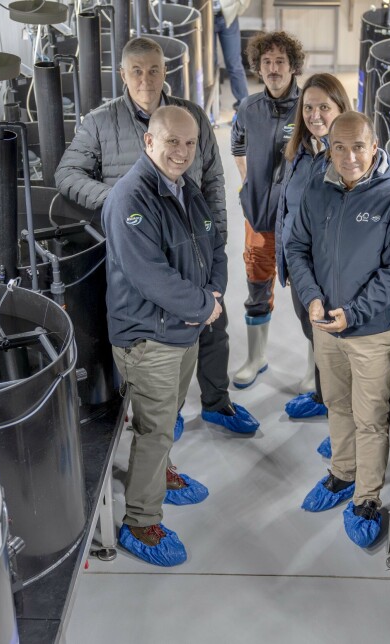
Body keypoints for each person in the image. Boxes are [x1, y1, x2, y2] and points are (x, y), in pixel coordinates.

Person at [57, 36, 258, 435]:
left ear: (166, 71)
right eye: (136, 71)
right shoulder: (101, 122)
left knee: (214, 323)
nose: (145, 79)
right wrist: (117, 200)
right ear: (123, 75)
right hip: (144, 248)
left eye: (153, 69)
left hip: (195, 243)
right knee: (167, 336)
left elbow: (214, 179)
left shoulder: (191, 116)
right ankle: (170, 411)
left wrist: (216, 235)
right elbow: (66, 175)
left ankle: (217, 401)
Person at [286, 112, 390, 548]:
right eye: (339, 147)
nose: (349, 157)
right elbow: (296, 247)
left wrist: (355, 314)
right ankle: (341, 473)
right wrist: (311, 298)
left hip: (370, 332)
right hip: (326, 327)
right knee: (337, 405)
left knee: (369, 418)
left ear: (375, 145)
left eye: (358, 146)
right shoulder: (317, 190)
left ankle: (366, 497)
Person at [103, 106, 226, 566]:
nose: (182, 151)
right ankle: (140, 521)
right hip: (148, 336)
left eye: (190, 143)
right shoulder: (130, 199)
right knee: (154, 430)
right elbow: (149, 276)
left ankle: (160, 474)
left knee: (169, 414)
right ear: (149, 142)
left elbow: (213, 243)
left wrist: (214, 293)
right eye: (172, 141)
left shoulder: (185, 188)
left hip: (184, 328)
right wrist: (204, 307)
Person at [229, 31, 304, 388]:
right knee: (257, 284)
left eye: (280, 62)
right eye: (267, 62)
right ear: (258, 67)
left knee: (311, 289)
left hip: (301, 222)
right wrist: (247, 188)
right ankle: (256, 358)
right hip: (259, 217)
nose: (273, 69)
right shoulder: (248, 108)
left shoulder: (309, 107)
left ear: (293, 66)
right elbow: (237, 147)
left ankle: (314, 370)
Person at [276, 73, 350, 421]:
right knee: (313, 335)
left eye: (324, 107)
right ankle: (323, 398)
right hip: (300, 266)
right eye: (308, 107)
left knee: (335, 347)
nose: (315, 114)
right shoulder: (301, 151)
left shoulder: (347, 159)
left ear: (341, 108)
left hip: (330, 273)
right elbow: (287, 210)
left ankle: (340, 420)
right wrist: (286, 264)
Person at [213, 0, 251, 110]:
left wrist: (238, 8)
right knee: (210, 64)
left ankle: (244, 106)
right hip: (205, 18)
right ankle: (213, 104)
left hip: (228, 17)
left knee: (234, 63)